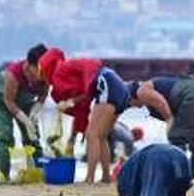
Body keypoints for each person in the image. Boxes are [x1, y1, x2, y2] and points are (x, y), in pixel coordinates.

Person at [39, 48, 130, 183]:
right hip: (119, 87)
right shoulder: (69, 68)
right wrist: (73, 135)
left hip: (106, 83)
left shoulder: (60, 71)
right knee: (101, 136)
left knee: (92, 134)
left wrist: (70, 102)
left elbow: (83, 95)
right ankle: (106, 176)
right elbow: (84, 101)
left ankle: (89, 178)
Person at [128, 74, 194, 178]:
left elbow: (161, 103)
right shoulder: (153, 87)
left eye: (130, 104)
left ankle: (180, 176)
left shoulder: (142, 91)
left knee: (177, 138)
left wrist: (169, 120)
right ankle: (190, 176)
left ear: (131, 96)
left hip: (192, 93)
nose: (132, 107)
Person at [0, 44, 49, 181]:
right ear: (28, 65)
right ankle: (4, 176)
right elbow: (9, 101)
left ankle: (41, 172)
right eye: (37, 70)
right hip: (1, 99)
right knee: (6, 137)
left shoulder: (46, 74)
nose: (40, 75)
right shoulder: (14, 74)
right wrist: (24, 119)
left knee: (32, 136)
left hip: (25, 100)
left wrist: (34, 111)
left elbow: (44, 94)